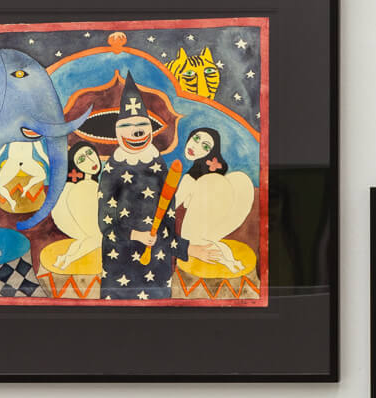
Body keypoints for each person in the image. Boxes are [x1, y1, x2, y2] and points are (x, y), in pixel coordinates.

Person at [75, 74, 186, 301]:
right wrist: (136, 235)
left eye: (142, 126)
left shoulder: (158, 164)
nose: (136, 132)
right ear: (117, 132)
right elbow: (105, 223)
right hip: (120, 263)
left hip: (157, 265)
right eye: (127, 126)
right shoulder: (112, 169)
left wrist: (185, 248)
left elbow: (168, 221)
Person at [174, 127, 256, 275]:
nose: (195, 147)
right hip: (201, 235)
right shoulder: (197, 178)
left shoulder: (192, 179)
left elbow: (172, 206)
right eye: (196, 139)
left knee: (238, 179)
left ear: (210, 153)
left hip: (194, 235)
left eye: (205, 146)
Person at [44, 139, 104, 273]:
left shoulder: (87, 183)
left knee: (85, 239)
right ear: (75, 166)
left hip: (81, 225)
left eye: (90, 153)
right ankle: (69, 259)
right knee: (98, 238)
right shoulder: (84, 186)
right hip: (81, 223)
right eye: (82, 159)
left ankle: (63, 258)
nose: (90, 160)